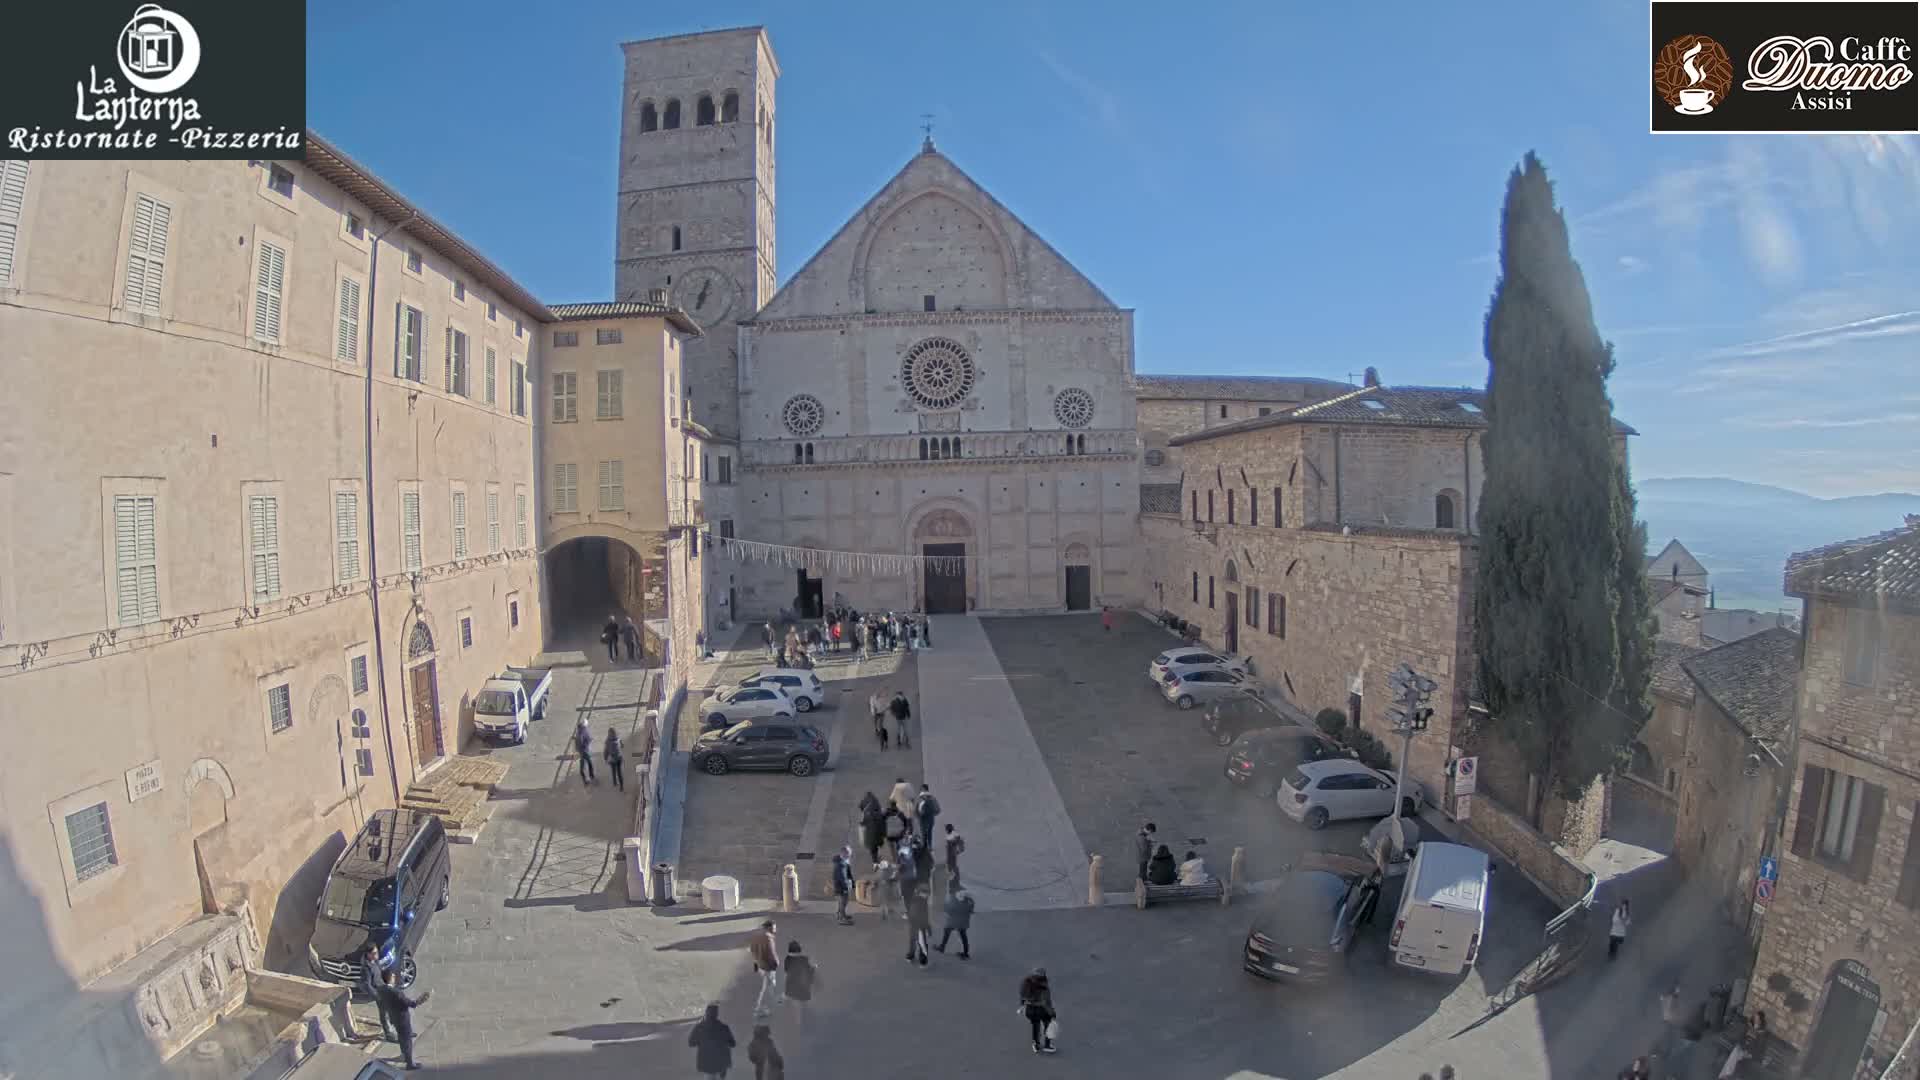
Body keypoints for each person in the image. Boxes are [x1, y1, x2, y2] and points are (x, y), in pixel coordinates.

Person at [374, 968, 432, 1071]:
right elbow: (410, 1003)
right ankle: (410, 1063)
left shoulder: (381, 989)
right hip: (402, 1019)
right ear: (389, 978)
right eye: (393, 976)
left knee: (401, 1036)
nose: (394, 977)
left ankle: (403, 1055)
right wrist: (421, 1000)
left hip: (393, 1017)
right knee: (407, 1040)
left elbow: (382, 1003)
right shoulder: (396, 992)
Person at [357, 945, 394, 1042]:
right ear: (368, 954)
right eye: (373, 953)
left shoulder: (375, 961)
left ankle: (399, 1030)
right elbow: (367, 985)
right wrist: (377, 996)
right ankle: (389, 1035)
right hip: (379, 993)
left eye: (376, 952)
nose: (376, 955)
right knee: (384, 1014)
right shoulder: (366, 968)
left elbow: (380, 967)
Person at [689, 1004, 735, 1080]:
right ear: (717, 1014)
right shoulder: (723, 1027)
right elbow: (733, 1044)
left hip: (706, 1063)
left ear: (706, 1013)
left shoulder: (699, 1027)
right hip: (721, 1064)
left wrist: (701, 1041)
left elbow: (691, 1043)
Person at [749, 920, 782, 1017]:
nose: (775, 930)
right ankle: (759, 1009)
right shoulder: (768, 938)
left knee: (768, 985)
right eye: (774, 928)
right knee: (767, 987)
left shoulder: (756, 937)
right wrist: (777, 963)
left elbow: (752, 950)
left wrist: (756, 962)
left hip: (760, 966)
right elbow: (772, 954)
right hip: (768, 966)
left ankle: (772, 1000)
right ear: (769, 928)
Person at [1020, 968, 1056, 1054]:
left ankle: (1035, 1044)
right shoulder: (1043, 986)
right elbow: (1046, 1002)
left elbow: (1023, 996)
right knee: (1048, 1024)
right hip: (1041, 1009)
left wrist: (1023, 1005)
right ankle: (1047, 1045)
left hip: (1030, 1010)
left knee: (1035, 1025)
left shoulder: (1027, 983)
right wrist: (1052, 1013)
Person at [936, 880, 974, 959]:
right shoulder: (969, 901)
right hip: (963, 923)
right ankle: (966, 953)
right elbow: (971, 910)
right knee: (963, 936)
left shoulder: (953, 899)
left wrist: (943, 905)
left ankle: (942, 947)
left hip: (952, 921)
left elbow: (947, 909)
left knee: (947, 932)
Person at [782, 940, 816, 1023]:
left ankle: (797, 1022)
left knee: (796, 1007)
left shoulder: (787, 959)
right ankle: (806, 1020)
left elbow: (786, 972)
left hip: (791, 988)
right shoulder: (804, 959)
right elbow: (808, 971)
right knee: (804, 1005)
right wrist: (814, 967)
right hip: (803, 988)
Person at [905, 881, 932, 966]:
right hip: (920, 926)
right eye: (927, 893)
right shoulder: (922, 902)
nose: (928, 895)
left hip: (913, 926)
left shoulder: (914, 900)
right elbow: (924, 916)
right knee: (922, 943)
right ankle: (923, 960)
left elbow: (910, 913)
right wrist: (928, 927)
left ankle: (910, 956)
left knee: (912, 941)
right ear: (921, 893)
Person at [859, 792, 886, 864]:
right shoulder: (878, 810)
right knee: (879, 846)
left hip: (870, 836)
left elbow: (863, 823)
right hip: (878, 835)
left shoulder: (867, 814)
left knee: (873, 849)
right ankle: (879, 858)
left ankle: (875, 862)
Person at [831, 846, 855, 925]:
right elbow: (843, 878)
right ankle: (841, 919)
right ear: (844, 853)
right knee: (843, 902)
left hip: (839, 886)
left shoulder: (842, 861)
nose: (850, 855)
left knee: (842, 902)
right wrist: (846, 888)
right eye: (849, 854)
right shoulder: (841, 865)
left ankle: (841, 914)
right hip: (841, 887)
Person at [874, 853, 900, 922]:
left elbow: (876, 880)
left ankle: (885, 912)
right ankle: (886, 912)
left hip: (883, 888)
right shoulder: (889, 870)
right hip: (887, 887)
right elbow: (895, 875)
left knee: (884, 901)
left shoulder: (880, 871)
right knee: (888, 900)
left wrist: (875, 885)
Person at [915, 784, 941, 850]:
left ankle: (925, 845)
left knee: (924, 832)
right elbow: (936, 809)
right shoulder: (932, 797)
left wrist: (918, 815)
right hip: (930, 818)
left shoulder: (921, 798)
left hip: (923, 818)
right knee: (929, 832)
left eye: (922, 788)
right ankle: (929, 846)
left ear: (923, 789)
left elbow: (917, 808)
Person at [575, 722, 596, 786]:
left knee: (584, 767)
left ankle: (587, 779)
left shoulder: (580, 733)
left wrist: (581, 747)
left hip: (584, 751)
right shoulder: (581, 733)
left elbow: (587, 740)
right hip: (584, 751)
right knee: (589, 764)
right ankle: (590, 776)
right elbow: (588, 739)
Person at [604, 727, 625, 791]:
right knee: (619, 772)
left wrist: (605, 758)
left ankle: (615, 782)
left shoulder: (607, 741)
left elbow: (606, 751)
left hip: (612, 759)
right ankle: (621, 786)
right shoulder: (618, 739)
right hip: (619, 758)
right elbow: (622, 746)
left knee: (613, 771)